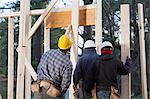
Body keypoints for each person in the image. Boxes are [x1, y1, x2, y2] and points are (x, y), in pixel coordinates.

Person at [34, 34, 73, 99]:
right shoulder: (67, 63)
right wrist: (59, 94)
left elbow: (39, 69)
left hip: (39, 88)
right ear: (69, 47)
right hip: (52, 92)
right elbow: (65, 83)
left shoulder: (47, 53)